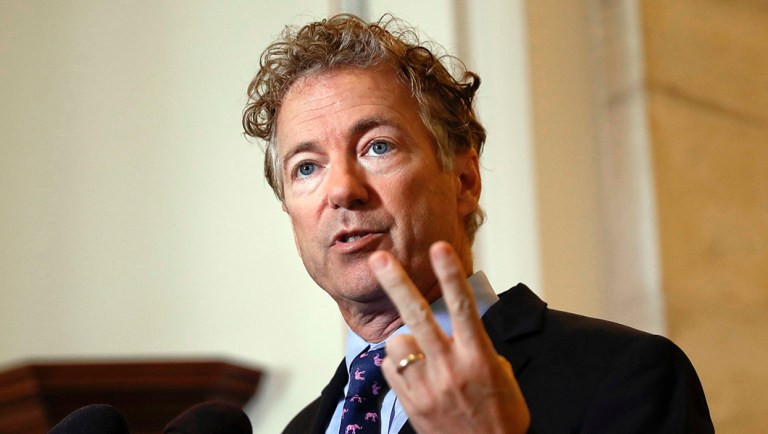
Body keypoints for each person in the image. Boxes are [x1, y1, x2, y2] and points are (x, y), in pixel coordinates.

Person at [243, 14, 713, 434]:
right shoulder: (302, 428)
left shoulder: (626, 373)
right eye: (306, 167)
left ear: (464, 181)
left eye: (377, 146)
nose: (343, 190)